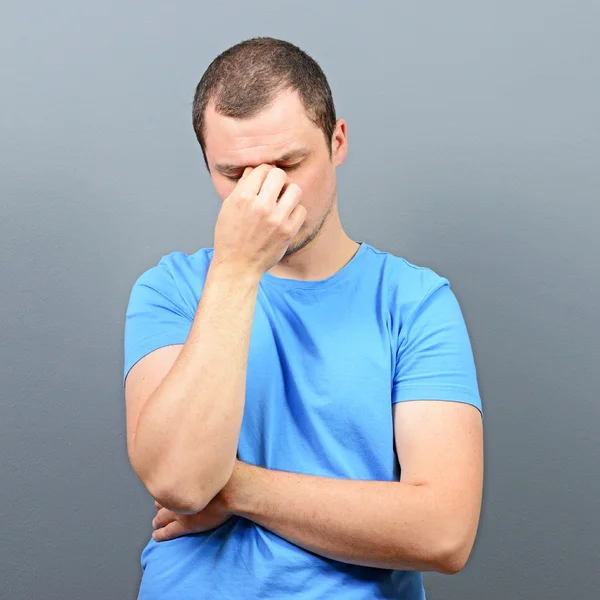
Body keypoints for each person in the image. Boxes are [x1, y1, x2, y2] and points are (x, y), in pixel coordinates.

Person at [123, 37, 484, 600]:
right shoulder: (170, 290)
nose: (266, 194)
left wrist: (235, 487)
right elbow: (179, 481)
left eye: (289, 163)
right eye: (235, 174)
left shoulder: (414, 301)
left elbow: (444, 532)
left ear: (336, 141)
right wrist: (238, 270)